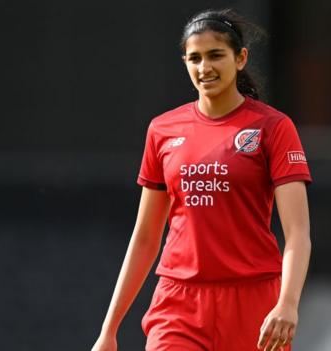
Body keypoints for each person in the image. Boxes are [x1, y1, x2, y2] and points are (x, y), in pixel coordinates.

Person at [91, 8, 312, 351]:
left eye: (215, 55)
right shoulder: (163, 130)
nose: (204, 67)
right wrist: (109, 329)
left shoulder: (273, 127)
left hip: (253, 301)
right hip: (178, 303)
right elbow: (146, 237)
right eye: (194, 58)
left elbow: (298, 233)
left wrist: (288, 304)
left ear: (240, 59)